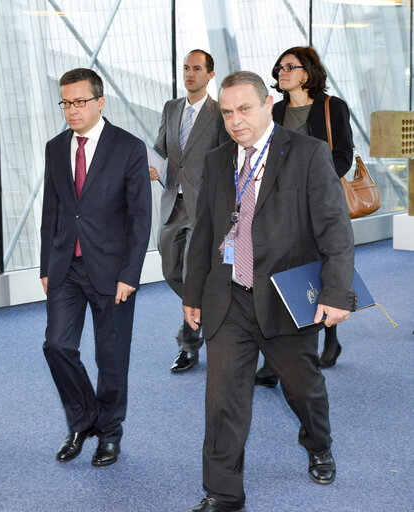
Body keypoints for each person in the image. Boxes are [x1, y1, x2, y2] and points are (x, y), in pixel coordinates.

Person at [182, 71, 355, 512]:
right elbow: (205, 232)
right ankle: (223, 494)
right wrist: (192, 295)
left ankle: (318, 443)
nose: (236, 120)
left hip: (284, 296)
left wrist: (337, 293)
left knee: (303, 389)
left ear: (267, 106)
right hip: (230, 296)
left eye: (244, 109)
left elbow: (335, 230)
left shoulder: (308, 154)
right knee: (223, 401)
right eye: (226, 112)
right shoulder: (219, 160)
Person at [40, 68, 151, 467]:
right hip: (66, 265)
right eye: (66, 103)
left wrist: (130, 275)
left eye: (80, 102)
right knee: (57, 345)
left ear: (100, 101)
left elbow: (141, 218)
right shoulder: (55, 148)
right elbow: (50, 210)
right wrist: (45, 265)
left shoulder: (129, 147)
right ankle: (84, 418)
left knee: (111, 356)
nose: (72, 110)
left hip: (113, 270)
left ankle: (110, 433)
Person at [254, 46, 354, 387]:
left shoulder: (331, 107)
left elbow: (343, 155)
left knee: (320, 268)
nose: (281, 72)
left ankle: (329, 336)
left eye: (290, 67)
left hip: (319, 202)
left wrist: (319, 181)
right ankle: (273, 357)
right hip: (279, 203)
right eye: (279, 67)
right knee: (277, 272)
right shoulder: (275, 110)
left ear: (307, 73)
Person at [150, 49, 230, 373]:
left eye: (197, 68)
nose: (189, 73)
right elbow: (160, 147)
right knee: (172, 271)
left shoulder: (218, 112)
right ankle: (216, 314)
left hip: (204, 207)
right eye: (185, 68)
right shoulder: (171, 108)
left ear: (210, 74)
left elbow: (228, 159)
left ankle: (189, 344)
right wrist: (152, 166)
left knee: (193, 274)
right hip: (173, 202)